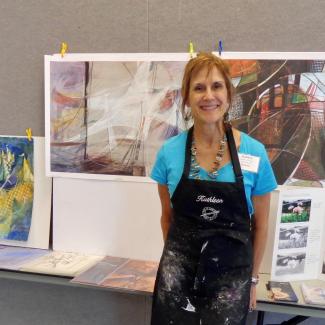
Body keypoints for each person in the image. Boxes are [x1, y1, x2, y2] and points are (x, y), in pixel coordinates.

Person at [150, 52, 277, 325]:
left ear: (228, 94)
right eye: (199, 88)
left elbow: (262, 226)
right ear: (187, 97)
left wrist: (252, 281)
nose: (209, 96)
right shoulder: (169, 153)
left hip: (230, 283)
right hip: (177, 278)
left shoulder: (255, 153)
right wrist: (176, 264)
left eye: (217, 86)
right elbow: (167, 218)